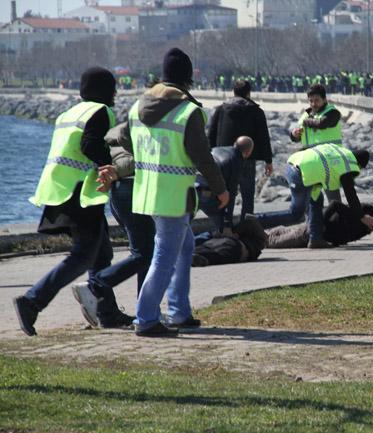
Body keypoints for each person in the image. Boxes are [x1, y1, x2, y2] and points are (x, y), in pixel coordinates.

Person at [117, 47, 229, 337]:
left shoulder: (136, 107)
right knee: (164, 257)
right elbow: (203, 157)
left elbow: (123, 139)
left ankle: (179, 311)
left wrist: (149, 154)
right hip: (175, 195)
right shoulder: (188, 111)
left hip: (147, 192)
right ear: (188, 79)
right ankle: (146, 318)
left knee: (185, 246)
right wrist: (221, 189)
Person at [13, 67, 131, 336]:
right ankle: (32, 301)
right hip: (80, 193)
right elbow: (90, 146)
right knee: (83, 256)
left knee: (101, 253)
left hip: (61, 189)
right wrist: (110, 165)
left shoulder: (69, 113)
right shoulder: (100, 111)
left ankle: (107, 312)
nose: (115, 93)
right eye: (112, 88)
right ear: (104, 90)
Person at [70, 143, 156, 328]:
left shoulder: (117, 133)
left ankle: (141, 312)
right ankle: (96, 287)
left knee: (142, 253)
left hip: (118, 189)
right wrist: (113, 170)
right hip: (131, 186)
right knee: (144, 254)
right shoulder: (141, 125)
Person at [256, 144, 373, 248]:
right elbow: (350, 193)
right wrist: (362, 216)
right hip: (299, 173)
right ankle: (255, 222)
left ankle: (315, 239)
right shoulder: (349, 166)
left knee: (317, 200)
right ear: (360, 164)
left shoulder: (340, 152)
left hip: (295, 164)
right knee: (295, 213)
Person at [208, 79, 273, 219]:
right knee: (248, 196)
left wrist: (210, 156)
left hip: (223, 159)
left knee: (227, 194)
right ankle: (247, 228)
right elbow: (263, 137)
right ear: (249, 93)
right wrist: (268, 161)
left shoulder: (221, 109)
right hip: (246, 158)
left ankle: (226, 226)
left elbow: (212, 133)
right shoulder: (256, 111)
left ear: (234, 92)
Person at [290, 84, 343, 202]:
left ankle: (338, 219)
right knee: (312, 199)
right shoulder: (307, 114)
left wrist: (306, 122)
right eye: (311, 101)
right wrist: (294, 134)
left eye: (317, 100)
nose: (314, 104)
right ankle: (315, 220)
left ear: (324, 99)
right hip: (312, 163)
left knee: (334, 199)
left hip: (330, 162)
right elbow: (297, 137)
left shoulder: (333, 112)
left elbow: (321, 124)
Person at [197, 136, 254, 234]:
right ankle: (203, 241)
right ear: (248, 152)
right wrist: (227, 222)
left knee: (183, 223)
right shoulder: (236, 161)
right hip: (207, 193)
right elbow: (230, 194)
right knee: (221, 230)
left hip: (193, 185)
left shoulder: (217, 149)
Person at [266, 201, 373, 248]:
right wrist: (320, 224)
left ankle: (265, 233)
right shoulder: (355, 215)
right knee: (272, 243)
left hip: (315, 234)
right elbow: (334, 205)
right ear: (371, 218)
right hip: (311, 233)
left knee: (285, 232)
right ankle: (258, 237)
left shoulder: (364, 229)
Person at [192, 215, 267, 267]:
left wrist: (235, 232)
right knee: (217, 254)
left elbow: (250, 222)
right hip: (237, 246)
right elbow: (250, 223)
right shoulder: (258, 241)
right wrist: (236, 232)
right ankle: (193, 257)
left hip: (232, 244)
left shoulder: (258, 241)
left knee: (209, 248)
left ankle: (189, 256)